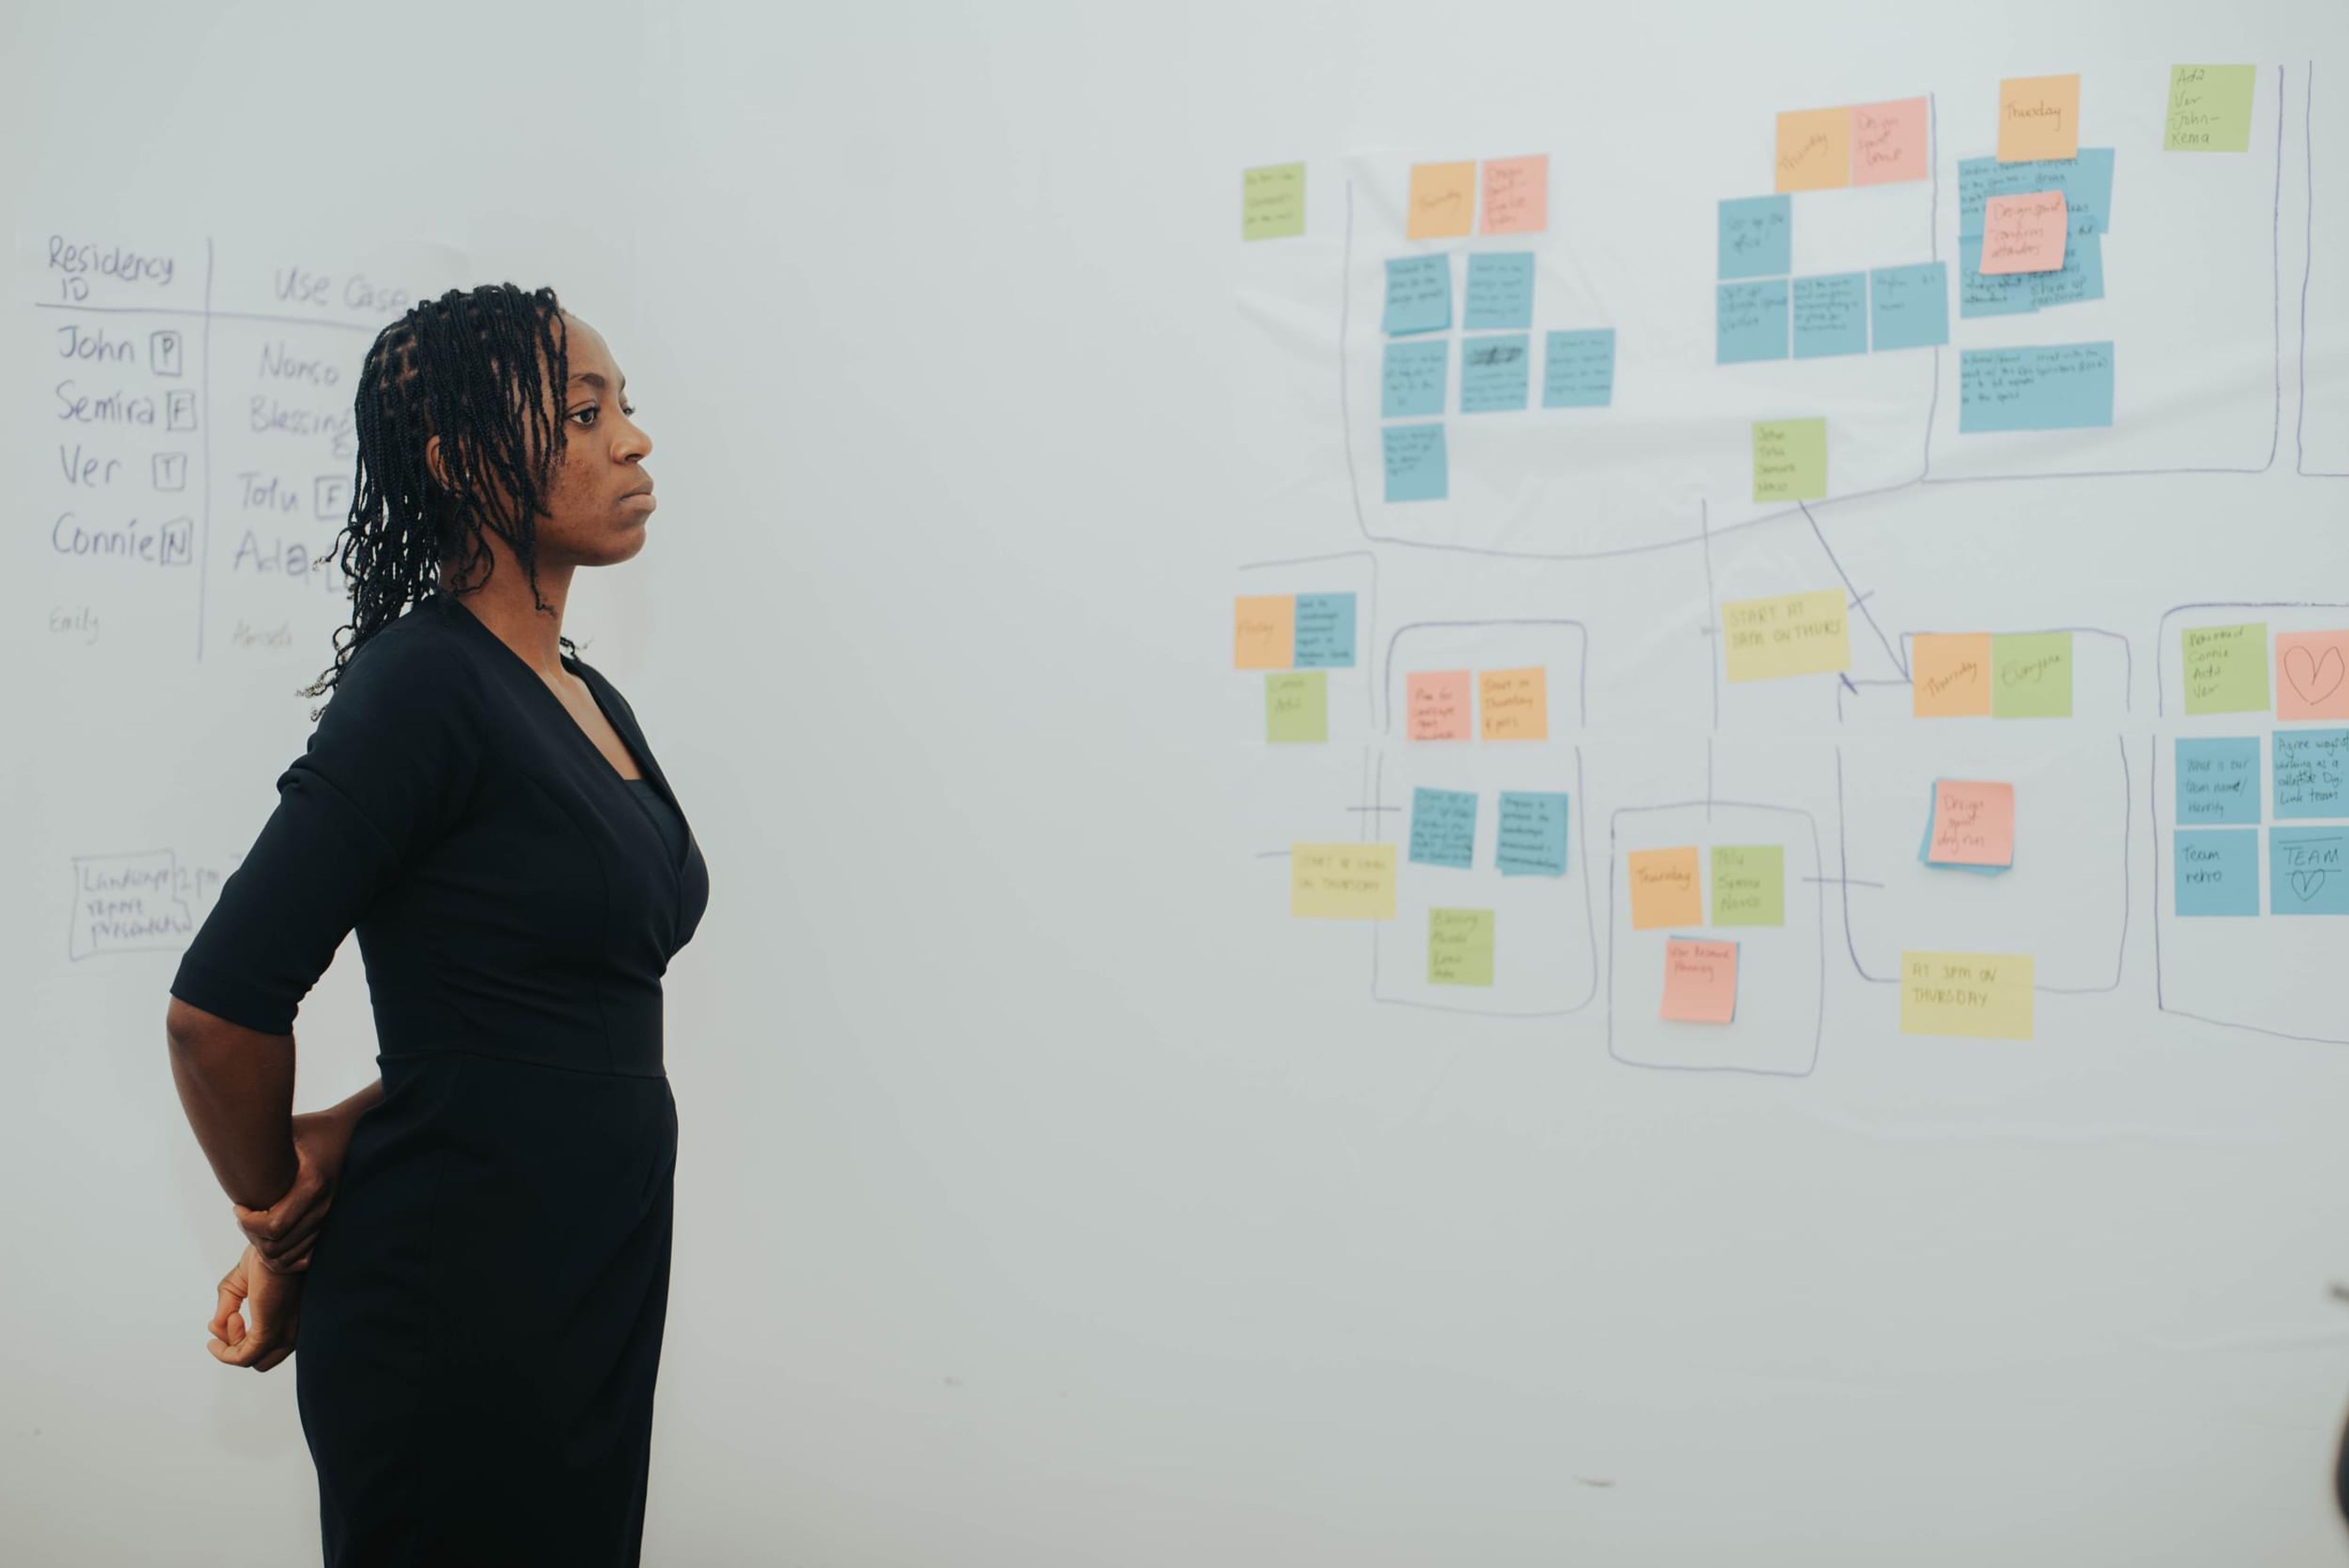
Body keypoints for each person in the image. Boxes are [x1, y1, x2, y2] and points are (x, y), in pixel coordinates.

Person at [163, 283, 708, 1566]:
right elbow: (217, 1009)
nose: (632, 441)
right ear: (461, 461)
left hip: (587, 1283)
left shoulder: (584, 693)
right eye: (585, 412)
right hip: (461, 1301)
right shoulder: (422, 684)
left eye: (626, 407)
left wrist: (343, 1128)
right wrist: (275, 1221)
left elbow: (528, 1023)